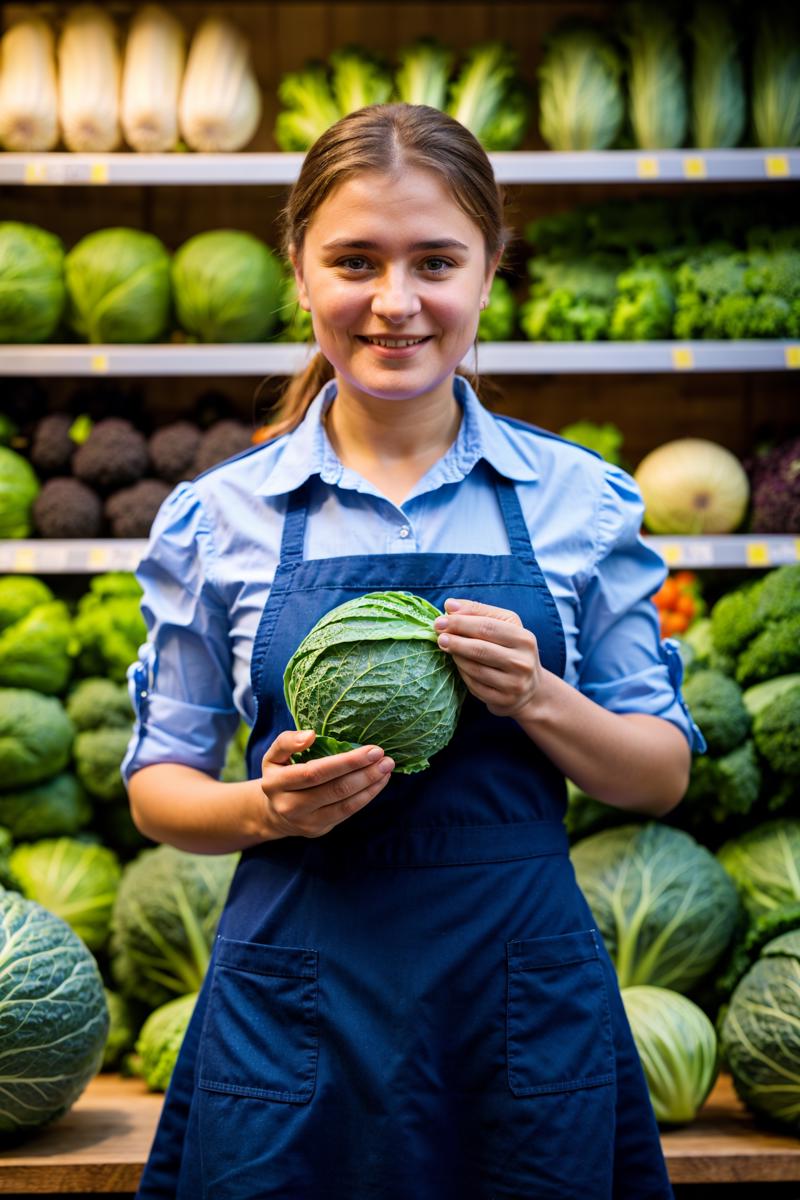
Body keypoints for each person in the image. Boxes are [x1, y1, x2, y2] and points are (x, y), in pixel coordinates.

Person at [125, 103, 703, 1200]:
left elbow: (658, 775)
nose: (395, 302)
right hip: (293, 991)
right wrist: (265, 810)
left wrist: (535, 695)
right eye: (353, 261)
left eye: (436, 261)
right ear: (300, 272)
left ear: (489, 273)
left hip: (517, 1003)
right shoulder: (219, 516)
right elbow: (160, 789)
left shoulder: (580, 503)